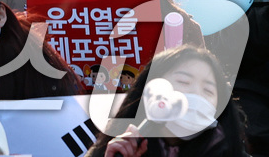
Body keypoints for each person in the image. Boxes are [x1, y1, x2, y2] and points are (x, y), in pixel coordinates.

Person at [88, 46, 251, 157]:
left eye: (208, 90)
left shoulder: (230, 150)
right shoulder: (120, 147)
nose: (195, 94)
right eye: (183, 82)